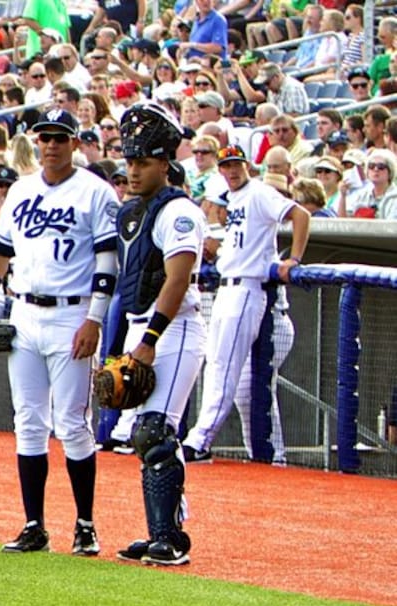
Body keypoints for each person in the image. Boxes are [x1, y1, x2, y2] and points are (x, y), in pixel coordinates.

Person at [0, 108, 118, 554]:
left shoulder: (95, 191)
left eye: (59, 137)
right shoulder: (21, 190)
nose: (51, 145)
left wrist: (95, 318)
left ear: (74, 143)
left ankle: (85, 523)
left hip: (73, 315)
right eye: (45, 137)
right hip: (25, 313)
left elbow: (108, 261)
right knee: (29, 422)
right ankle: (34, 524)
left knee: (72, 422)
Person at [113, 102, 209, 566]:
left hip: (175, 329)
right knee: (144, 434)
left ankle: (169, 538)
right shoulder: (130, 212)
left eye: (143, 162)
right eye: (130, 161)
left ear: (165, 164)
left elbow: (177, 278)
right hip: (140, 328)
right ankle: (161, 531)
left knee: (155, 431)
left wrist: (149, 340)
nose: (133, 170)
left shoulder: (179, 211)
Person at [182, 144, 309, 464]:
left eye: (237, 164)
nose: (232, 170)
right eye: (226, 166)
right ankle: (268, 454)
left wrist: (294, 258)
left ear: (247, 166)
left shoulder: (259, 192)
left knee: (224, 368)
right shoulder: (233, 199)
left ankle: (200, 438)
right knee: (230, 377)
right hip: (227, 289)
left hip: (248, 290)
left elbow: (300, 214)